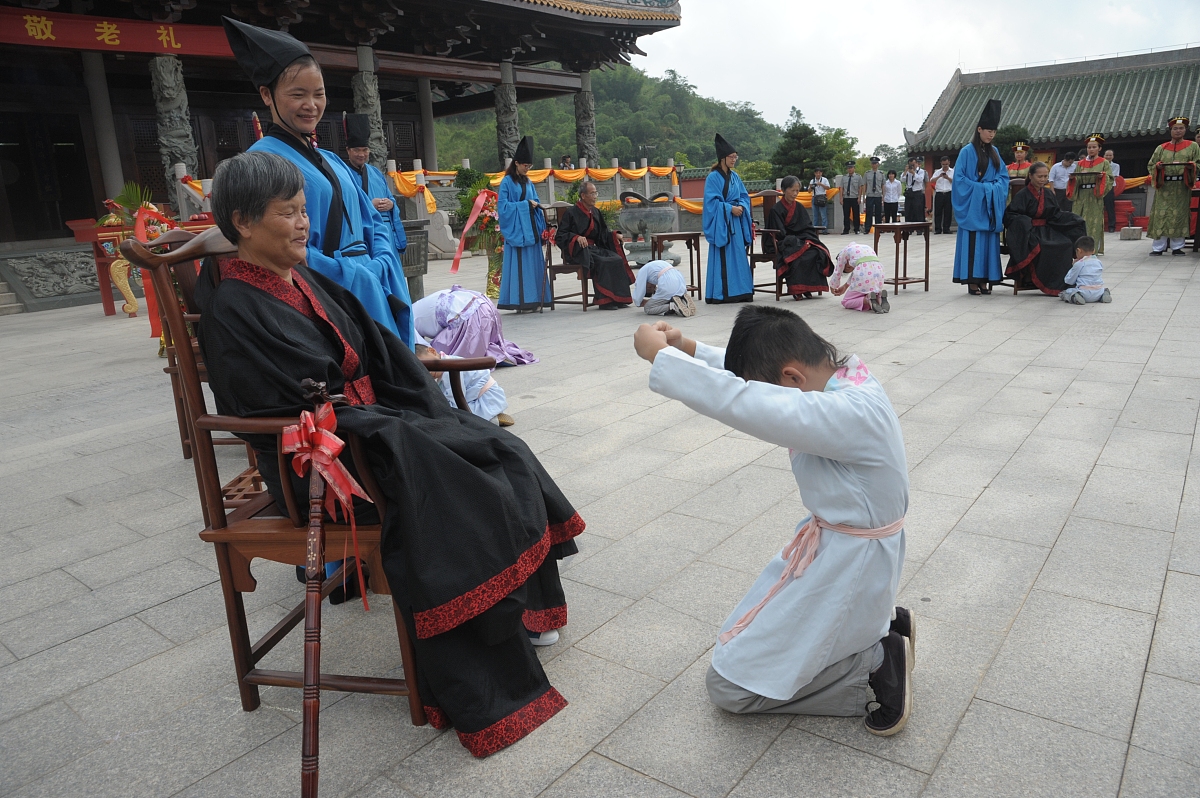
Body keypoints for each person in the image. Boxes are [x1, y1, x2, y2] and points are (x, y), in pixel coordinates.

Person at [202, 151, 583, 756]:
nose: (303, 224)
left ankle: (521, 610)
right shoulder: (232, 308)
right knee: (453, 475)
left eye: (303, 211)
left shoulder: (304, 278)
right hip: (320, 461)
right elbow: (277, 405)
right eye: (287, 213)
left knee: (494, 444)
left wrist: (419, 402)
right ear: (244, 223)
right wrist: (392, 422)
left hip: (369, 425)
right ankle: (484, 638)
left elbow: (376, 349)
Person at [631, 308, 912, 735]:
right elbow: (753, 386)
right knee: (747, 653)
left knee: (731, 689)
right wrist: (688, 349)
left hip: (849, 566)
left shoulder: (847, 413)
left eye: (776, 392)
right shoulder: (845, 379)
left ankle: (874, 668)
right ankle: (881, 623)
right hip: (842, 551)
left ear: (793, 380)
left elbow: (742, 400)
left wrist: (664, 360)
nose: (772, 401)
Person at [223, 17, 415, 346]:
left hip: (369, 278)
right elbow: (286, 251)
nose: (311, 105)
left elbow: (373, 219)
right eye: (298, 94)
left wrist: (383, 262)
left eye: (319, 94)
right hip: (329, 296)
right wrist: (358, 275)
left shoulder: (332, 158)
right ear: (267, 95)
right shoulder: (264, 164)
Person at [1002, 161, 1088, 295]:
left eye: (1045, 176)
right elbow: (1011, 215)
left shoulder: (1048, 193)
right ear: (1030, 176)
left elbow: (1055, 214)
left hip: (1046, 228)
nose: (1043, 179)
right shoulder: (1023, 194)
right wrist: (1026, 222)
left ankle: (1062, 282)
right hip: (1029, 231)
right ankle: (1038, 280)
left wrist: (1073, 219)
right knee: (1045, 246)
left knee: (1065, 243)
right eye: (1039, 176)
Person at [952, 99, 1009, 296]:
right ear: (979, 129)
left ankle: (985, 279)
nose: (991, 134)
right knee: (973, 241)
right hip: (974, 205)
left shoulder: (995, 152)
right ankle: (972, 281)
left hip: (989, 204)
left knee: (988, 241)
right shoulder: (966, 151)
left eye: (994, 131)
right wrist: (982, 188)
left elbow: (1003, 177)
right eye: (988, 130)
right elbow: (959, 179)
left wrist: (992, 189)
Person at [554, 180, 636, 309]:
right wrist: (576, 237)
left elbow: (603, 234)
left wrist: (614, 235)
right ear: (583, 195)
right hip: (579, 251)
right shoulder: (571, 213)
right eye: (592, 193)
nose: (595, 196)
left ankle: (618, 298)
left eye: (596, 193)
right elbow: (560, 236)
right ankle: (604, 300)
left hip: (593, 248)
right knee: (602, 262)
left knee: (616, 259)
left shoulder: (596, 212)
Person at [412, 285, 537, 365]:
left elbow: (421, 348)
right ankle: (495, 354)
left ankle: (493, 356)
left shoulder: (406, 323)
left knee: (441, 355)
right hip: (483, 306)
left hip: (469, 315)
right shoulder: (412, 309)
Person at [498, 136, 551, 309]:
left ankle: (535, 298)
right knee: (519, 266)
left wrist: (535, 206)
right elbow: (503, 207)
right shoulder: (506, 181)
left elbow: (535, 199)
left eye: (529, 166)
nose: (527, 169)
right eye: (525, 166)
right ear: (516, 163)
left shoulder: (528, 182)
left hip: (530, 229)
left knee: (534, 265)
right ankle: (519, 300)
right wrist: (525, 205)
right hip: (517, 230)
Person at [342, 112, 407, 255]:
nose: (361, 154)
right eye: (356, 150)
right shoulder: (342, 174)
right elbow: (341, 206)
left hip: (385, 234)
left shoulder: (376, 173)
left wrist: (391, 205)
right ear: (348, 150)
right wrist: (368, 205)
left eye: (365, 150)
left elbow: (391, 198)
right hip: (360, 234)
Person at [702, 134, 754, 304]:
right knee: (723, 257)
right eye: (732, 157)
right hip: (722, 224)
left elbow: (745, 196)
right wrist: (729, 208)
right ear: (723, 158)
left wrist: (741, 206)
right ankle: (721, 293)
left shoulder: (735, 177)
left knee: (739, 256)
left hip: (736, 224)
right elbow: (711, 203)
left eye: (735, 157)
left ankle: (742, 291)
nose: (734, 160)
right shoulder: (713, 178)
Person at [763, 176, 834, 299]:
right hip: (783, 242)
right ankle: (796, 289)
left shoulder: (799, 207)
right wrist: (795, 241)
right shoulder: (776, 209)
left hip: (800, 240)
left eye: (797, 190)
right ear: (784, 190)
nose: (795, 193)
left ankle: (807, 287)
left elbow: (807, 227)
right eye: (792, 190)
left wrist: (805, 240)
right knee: (798, 254)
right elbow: (779, 233)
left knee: (815, 252)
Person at [415, 343, 513, 426]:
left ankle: (493, 419)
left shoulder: (451, 366)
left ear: (432, 351)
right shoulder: (444, 366)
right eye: (423, 370)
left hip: (487, 397)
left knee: (463, 418)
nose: (429, 373)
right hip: (471, 396)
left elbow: (454, 397)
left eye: (428, 366)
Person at [1147, 115, 1199, 256]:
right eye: (1175, 128)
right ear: (1170, 130)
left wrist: (1191, 166)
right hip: (1164, 185)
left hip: (1181, 186)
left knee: (1179, 215)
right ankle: (1158, 247)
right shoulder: (1161, 148)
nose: (1178, 131)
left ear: (1185, 130)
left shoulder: (1192, 146)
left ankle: (1177, 246)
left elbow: (1198, 164)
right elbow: (1151, 165)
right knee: (1160, 215)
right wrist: (1158, 167)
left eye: (1181, 128)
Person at [1067, 134, 1112, 255]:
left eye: (1094, 147)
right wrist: (1072, 179)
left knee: (1094, 223)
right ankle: (1077, 249)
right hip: (1081, 195)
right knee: (1078, 221)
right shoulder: (1080, 164)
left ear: (1099, 148)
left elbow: (1109, 178)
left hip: (1094, 195)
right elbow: (1076, 179)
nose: (1091, 149)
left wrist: (1101, 178)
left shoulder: (1104, 163)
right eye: (1089, 147)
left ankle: (1092, 250)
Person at [830, 242, 889, 313]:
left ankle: (867, 299)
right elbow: (858, 272)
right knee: (869, 290)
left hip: (863, 276)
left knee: (846, 301)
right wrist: (845, 287)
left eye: (847, 268)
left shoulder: (843, 253)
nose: (849, 268)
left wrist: (833, 286)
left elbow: (838, 272)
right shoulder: (865, 247)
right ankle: (879, 297)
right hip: (879, 272)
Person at [1061, 236, 1111, 304]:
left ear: (1079, 251)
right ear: (1094, 250)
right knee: (1101, 289)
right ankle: (1103, 295)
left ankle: (1075, 297)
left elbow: (1069, 280)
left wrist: (1073, 266)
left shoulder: (1079, 264)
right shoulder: (1098, 262)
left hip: (1084, 293)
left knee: (1067, 292)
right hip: (1098, 292)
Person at [837, 161, 864, 235]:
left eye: (851, 168)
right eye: (848, 168)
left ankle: (857, 229)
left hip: (854, 197)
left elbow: (860, 188)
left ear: (854, 168)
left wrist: (859, 197)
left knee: (856, 214)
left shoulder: (858, 177)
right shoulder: (844, 177)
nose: (850, 169)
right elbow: (841, 188)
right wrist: (841, 198)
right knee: (846, 214)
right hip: (846, 197)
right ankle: (846, 229)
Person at [929, 156, 954, 234]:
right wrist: (939, 176)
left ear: (949, 163)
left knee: (948, 212)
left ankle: (946, 228)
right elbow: (931, 180)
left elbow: (955, 181)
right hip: (939, 193)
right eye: (943, 164)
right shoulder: (937, 172)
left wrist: (947, 178)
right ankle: (938, 229)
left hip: (948, 192)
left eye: (946, 164)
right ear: (941, 164)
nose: (945, 165)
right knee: (938, 212)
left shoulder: (953, 171)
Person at [862, 157, 885, 234]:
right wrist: (864, 196)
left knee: (878, 212)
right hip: (870, 195)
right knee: (869, 212)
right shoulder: (867, 173)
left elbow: (883, 185)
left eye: (875, 163)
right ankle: (867, 228)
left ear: (878, 164)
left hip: (878, 195)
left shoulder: (881, 174)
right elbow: (864, 185)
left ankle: (880, 228)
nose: (874, 165)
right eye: (872, 163)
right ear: (871, 164)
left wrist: (883, 196)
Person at [901, 157, 926, 222]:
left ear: (917, 163)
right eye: (911, 165)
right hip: (909, 192)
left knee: (918, 211)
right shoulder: (907, 172)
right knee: (908, 211)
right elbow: (902, 179)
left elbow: (920, 179)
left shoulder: (921, 171)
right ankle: (908, 229)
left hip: (917, 193)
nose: (912, 166)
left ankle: (919, 229)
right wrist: (906, 171)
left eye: (913, 164)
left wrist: (914, 173)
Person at [1104, 149, 1121, 232]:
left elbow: (1113, 176)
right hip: (1100, 187)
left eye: (1110, 155)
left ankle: (1111, 226)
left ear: (1113, 156)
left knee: (1110, 207)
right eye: (1107, 155)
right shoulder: (1100, 164)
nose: (1108, 157)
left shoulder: (1116, 166)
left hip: (1110, 187)